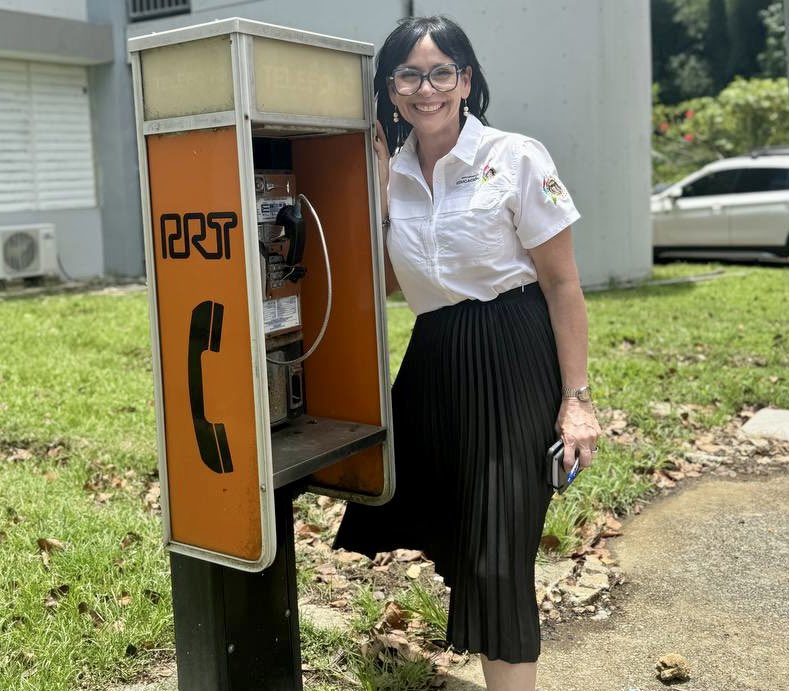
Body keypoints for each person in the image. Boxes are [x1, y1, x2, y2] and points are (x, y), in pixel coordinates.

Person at [333, 15, 602, 691]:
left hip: (513, 354)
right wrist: (371, 187)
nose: (426, 89)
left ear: (465, 80)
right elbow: (389, 282)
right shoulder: (390, 172)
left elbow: (563, 284)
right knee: (458, 529)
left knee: (497, 555)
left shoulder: (513, 157)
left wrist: (575, 400)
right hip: (436, 359)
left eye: (440, 72)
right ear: (389, 89)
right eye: (409, 75)